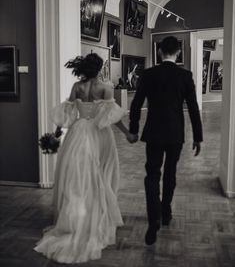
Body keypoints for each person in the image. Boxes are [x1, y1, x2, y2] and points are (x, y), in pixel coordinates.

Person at [34, 53, 132, 263]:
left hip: (78, 132)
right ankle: (92, 217)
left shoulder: (77, 87)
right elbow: (110, 117)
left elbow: (68, 111)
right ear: (100, 68)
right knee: (99, 174)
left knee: (77, 176)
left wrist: (58, 131)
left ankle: (76, 217)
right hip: (98, 134)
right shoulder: (106, 87)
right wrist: (127, 133)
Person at [128, 36, 203, 245]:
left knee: (151, 175)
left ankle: (154, 221)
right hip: (175, 133)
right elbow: (193, 107)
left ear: (160, 52)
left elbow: (136, 104)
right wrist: (198, 136)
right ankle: (166, 210)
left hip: (153, 132)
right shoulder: (185, 76)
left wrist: (133, 129)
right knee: (170, 172)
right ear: (178, 53)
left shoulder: (149, 74)